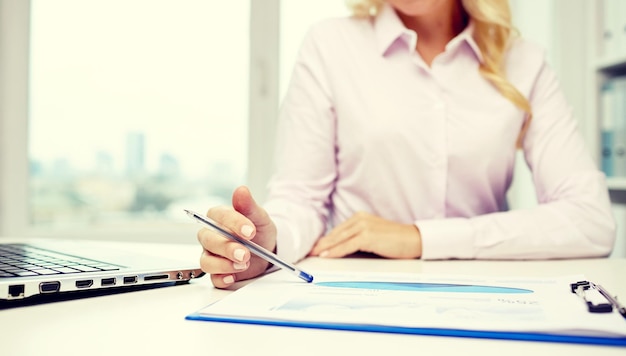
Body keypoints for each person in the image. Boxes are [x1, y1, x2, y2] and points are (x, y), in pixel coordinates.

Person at [196, 0, 616, 289]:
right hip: (350, 292)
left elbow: (591, 221)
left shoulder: (525, 62)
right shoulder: (331, 45)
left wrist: (419, 238)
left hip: (484, 296)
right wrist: (266, 247)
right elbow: (301, 200)